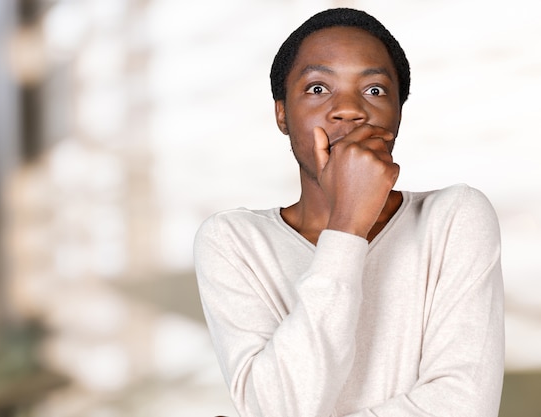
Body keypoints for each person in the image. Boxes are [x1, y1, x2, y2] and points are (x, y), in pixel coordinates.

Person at [194, 8, 504, 417]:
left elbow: (463, 406)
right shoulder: (233, 240)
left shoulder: (454, 217)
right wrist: (348, 225)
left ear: (398, 113)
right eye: (318, 88)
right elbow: (278, 407)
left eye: (374, 90)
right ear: (282, 113)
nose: (349, 110)